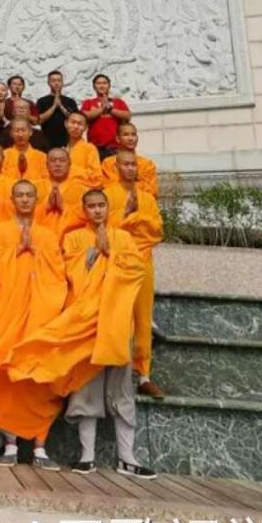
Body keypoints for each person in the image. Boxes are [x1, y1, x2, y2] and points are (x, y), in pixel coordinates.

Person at [5, 188, 155, 477]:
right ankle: (87, 455)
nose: (97, 211)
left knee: (121, 392)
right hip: (85, 328)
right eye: (92, 206)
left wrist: (110, 253)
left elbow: (136, 271)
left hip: (118, 325)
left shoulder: (123, 238)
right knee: (87, 391)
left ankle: (127, 457)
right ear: (84, 210)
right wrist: (92, 255)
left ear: (108, 208)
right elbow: (69, 275)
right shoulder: (73, 238)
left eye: (101, 205)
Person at [0, 180, 67, 468]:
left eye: (29, 195)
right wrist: (16, 251)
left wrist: (35, 252)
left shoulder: (47, 235)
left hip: (39, 316)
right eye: (19, 194)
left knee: (38, 380)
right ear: (11, 199)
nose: (24, 199)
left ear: (37, 199)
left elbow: (58, 274)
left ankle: (40, 447)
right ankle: (9, 444)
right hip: (6, 314)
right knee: (8, 379)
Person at [105, 149, 164, 399]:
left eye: (133, 164)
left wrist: (136, 216)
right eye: (125, 164)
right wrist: (127, 217)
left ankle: (144, 375)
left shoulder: (147, 198)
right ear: (117, 168)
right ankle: (118, 374)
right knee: (119, 319)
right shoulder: (108, 195)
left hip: (143, 262)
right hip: (117, 263)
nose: (129, 168)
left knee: (142, 318)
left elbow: (157, 231)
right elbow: (105, 231)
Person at [34, 147, 87, 239]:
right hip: (39, 240)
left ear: (69, 164)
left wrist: (64, 207)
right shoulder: (34, 187)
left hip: (70, 240)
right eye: (53, 161)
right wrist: (46, 206)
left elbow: (86, 217)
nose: (57, 164)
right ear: (46, 165)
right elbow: (23, 215)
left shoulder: (82, 190)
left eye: (62, 160)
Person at [81, 74, 131, 158]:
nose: (102, 85)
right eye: (98, 83)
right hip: (95, 147)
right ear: (94, 87)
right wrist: (101, 109)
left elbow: (127, 116)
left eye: (104, 83)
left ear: (109, 85)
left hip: (115, 147)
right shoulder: (88, 102)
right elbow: (84, 117)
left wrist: (111, 110)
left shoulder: (118, 101)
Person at [102, 123, 159, 196]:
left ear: (137, 138)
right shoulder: (108, 163)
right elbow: (109, 187)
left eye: (133, 135)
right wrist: (137, 184)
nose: (130, 138)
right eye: (126, 135)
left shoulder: (147, 164)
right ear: (118, 139)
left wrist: (124, 185)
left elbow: (152, 190)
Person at [35, 71, 79, 150]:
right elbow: (39, 120)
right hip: (47, 140)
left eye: (59, 81)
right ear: (48, 83)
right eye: (53, 81)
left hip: (67, 141)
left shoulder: (69, 101)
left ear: (62, 83)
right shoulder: (42, 101)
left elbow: (75, 120)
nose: (56, 83)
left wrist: (61, 106)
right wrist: (54, 106)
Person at [2, 116, 50, 182]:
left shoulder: (42, 157)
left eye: (23, 130)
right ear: (11, 134)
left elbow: (46, 181)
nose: (20, 135)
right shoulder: (4, 156)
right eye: (16, 131)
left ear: (30, 132)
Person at [65, 112, 103, 188]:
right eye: (73, 122)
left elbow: (97, 178)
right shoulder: (62, 150)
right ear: (66, 124)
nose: (76, 126)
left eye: (80, 124)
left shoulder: (89, 148)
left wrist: (69, 169)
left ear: (86, 127)